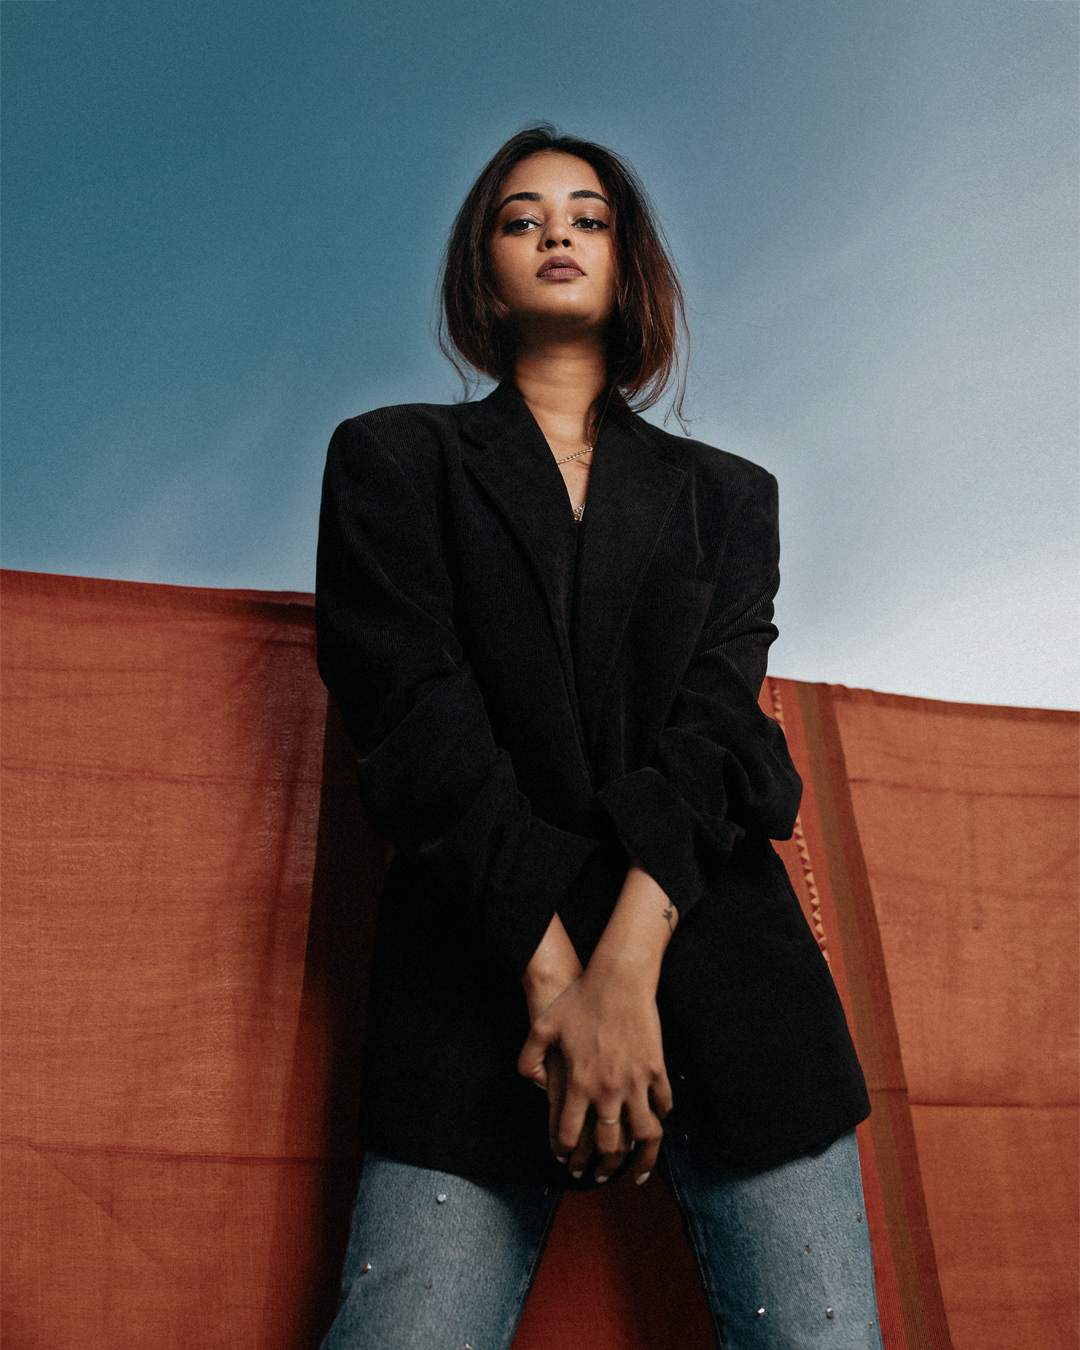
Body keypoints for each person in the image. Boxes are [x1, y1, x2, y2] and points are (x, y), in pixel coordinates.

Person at [315, 125, 881, 1350]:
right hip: (478, 975)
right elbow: (417, 729)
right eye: (521, 218)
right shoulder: (392, 460)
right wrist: (557, 983)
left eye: (589, 216)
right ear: (482, 267)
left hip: (723, 963)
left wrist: (623, 973)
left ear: (631, 263)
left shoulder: (730, 495)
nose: (556, 233)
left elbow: (719, 736)